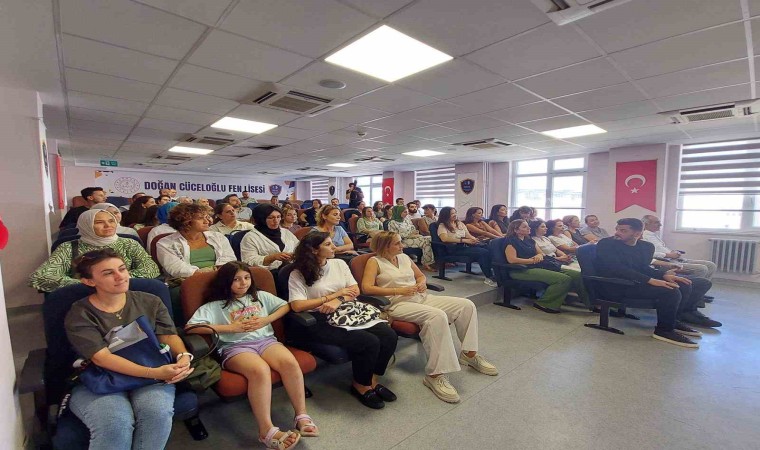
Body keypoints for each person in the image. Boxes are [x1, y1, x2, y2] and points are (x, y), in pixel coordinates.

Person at [64, 249, 193, 450]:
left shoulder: (150, 301)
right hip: (101, 377)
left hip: (151, 369)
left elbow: (167, 335)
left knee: (156, 414)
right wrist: (154, 373)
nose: (120, 276)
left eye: (122, 269)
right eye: (108, 273)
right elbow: (102, 358)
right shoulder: (80, 313)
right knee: (115, 424)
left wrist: (183, 356)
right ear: (89, 281)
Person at [186, 261, 314, 449]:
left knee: (290, 363)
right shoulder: (214, 305)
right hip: (235, 347)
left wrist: (266, 320)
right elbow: (191, 327)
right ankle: (266, 430)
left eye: (246, 278)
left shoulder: (259, 296)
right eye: (236, 279)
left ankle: (301, 415)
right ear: (226, 282)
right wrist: (230, 328)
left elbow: (285, 306)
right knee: (260, 370)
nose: (243, 283)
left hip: (266, 341)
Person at [361, 231, 498, 403]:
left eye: (401, 241)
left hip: (420, 297)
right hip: (397, 304)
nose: (402, 245)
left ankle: (469, 354)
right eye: (397, 243)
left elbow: (420, 276)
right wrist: (398, 290)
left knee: (466, 305)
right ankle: (434, 375)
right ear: (385, 246)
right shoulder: (375, 262)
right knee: (436, 316)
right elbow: (366, 288)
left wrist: (421, 283)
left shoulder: (404, 257)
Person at [288, 232, 397, 409]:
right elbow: (297, 305)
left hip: (347, 311)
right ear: (314, 250)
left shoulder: (339, 263)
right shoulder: (298, 273)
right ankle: (360, 385)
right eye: (328, 244)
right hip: (319, 319)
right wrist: (332, 297)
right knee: (369, 342)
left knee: (389, 335)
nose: (334, 247)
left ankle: (371, 379)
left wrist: (338, 300)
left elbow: (354, 289)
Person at [595, 219, 720, 348]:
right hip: (616, 285)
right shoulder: (607, 244)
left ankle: (675, 321)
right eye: (617, 229)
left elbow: (644, 268)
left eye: (623, 230)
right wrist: (650, 280)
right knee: (670, 291)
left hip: (636, 282)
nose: (617, 233)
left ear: (637, 233)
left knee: (685, 284)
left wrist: (663, 275)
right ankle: (664, 330)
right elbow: (616, 268)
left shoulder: (646, 247)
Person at [30, 210, 159, 293]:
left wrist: (118, 279)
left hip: (125, 293)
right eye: (99, 222)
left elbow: (151, 269)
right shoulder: (68, 247)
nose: (108, 225)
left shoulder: (129, 243)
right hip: (82, 296)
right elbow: (41, 277)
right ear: (86, 225)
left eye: (111, 221)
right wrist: (89, 283)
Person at [503, 219, 574, 313]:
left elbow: (541, 254)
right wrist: (532, 261)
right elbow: (512, 260)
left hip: (536, 266)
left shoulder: (530, 240)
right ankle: (544, 303)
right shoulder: (511, 242)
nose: (529, 228)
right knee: (564, 279)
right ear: (516, 230)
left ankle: (589, 302)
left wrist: (538, 256)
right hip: (521, 270)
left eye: (528, 226)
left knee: (576, 275)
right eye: (524, 227)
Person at [156, 204, 236, 280]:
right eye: (200, 218)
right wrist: (209, 274)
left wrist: (218, 275)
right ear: (185, 221)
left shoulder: (218, 237)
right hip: (186, 282)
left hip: (221, 278)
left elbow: (229, 260)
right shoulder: (165, 243)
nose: (207, 221)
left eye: (206, 217)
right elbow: (178, 270)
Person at [529, 220, 589, 307]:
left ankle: (587, 297)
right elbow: (543, 256)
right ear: (535, 229)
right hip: (549, 263)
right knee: (576, 273)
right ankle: (587, 301)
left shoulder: (545, 238)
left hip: (557, 260)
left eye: (545, 226)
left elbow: (556, 250)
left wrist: (565, 256)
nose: (546, 228)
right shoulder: (533, 240)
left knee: (583, 270)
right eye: (542, 227)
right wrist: (559, 258)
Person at [435, 207, 497, 287]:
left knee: (488, 249)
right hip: (452, 249)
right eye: (452, 213)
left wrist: (474, 239)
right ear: (446, 215)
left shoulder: (459, 223)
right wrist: (464, 240)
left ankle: (494, 274)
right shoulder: (442, 225)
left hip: (463, 247)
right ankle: (489, 277)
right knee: (483, 253)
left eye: (455, 213)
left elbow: (467, 235)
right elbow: (445, 239)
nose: (455, 215)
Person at [641, 215, 717, 279]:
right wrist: (668, 255)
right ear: (646, 224)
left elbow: (661, 249)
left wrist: (673, 252)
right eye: (656, 222)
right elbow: (649, 254)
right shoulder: (644, 236)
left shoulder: (653, 235)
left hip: (674, 259)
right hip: (665, 262)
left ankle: (702, 289)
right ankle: (693, 289)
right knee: (702, 269)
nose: (660, 225)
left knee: (711, 265)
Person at [241, 205, 298, 271]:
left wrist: (295, 255)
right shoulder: (250, 237)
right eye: (270, 218)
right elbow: (249, 261)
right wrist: (272, 257)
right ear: (261, 219)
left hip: (292, 269)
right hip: (268, 273)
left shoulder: (286, 232)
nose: (276, 221)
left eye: (278, 217)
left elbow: (299, 247)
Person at [387, 205, 434, 271]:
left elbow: (413, 229)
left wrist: (415, 234)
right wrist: (409, 235)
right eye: (405, 212)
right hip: (402, 241)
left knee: (430, 238)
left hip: (413, 238)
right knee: (426, 241)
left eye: (407, 212)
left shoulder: (407, 220)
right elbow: (394, 236)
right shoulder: (392, 223)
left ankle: (433, 260)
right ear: (398, 212)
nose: (407, 214)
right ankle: (427, 263)